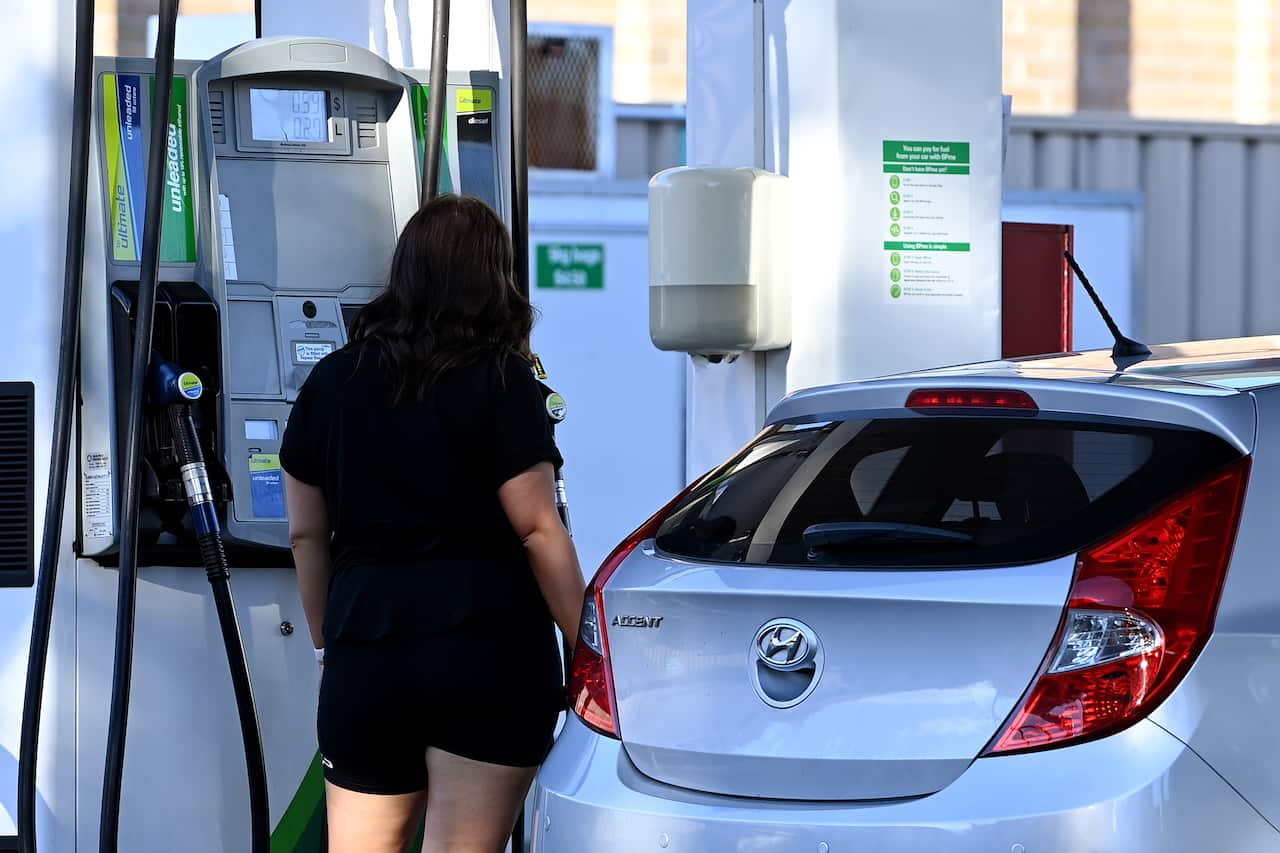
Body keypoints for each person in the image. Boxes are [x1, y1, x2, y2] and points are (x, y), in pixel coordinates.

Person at [280, 194, 586, 853]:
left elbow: (304, 532)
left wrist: (327, 643)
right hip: (487, 653)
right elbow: (537, 528)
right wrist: (588, 643)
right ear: (493, 279)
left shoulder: (330, 382)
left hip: (367, 650)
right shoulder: (504, 380)